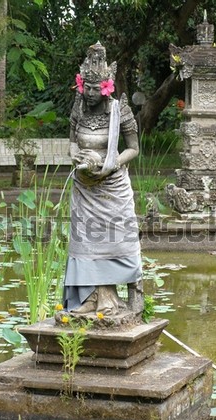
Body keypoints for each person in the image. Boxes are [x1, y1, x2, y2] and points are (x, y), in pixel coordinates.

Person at [62, 41, 143, 317]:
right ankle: (91, 296)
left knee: (113, 240)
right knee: (85, 242)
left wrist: (111, 164)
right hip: (84, 184)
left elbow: (134, 148)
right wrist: (77, 158)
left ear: (107, 87)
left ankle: (109, 296)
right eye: (87, 87)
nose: (91, 93)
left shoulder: (120, 111)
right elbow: (72, 144)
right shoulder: (79, 109)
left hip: (112, 186)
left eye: (97, 88)